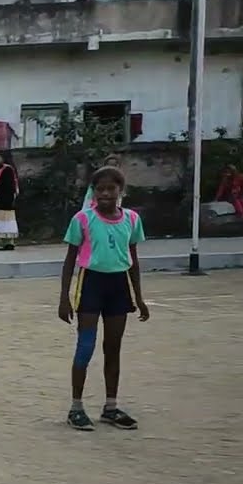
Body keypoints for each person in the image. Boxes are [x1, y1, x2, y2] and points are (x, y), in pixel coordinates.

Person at [58, 167, 150, 431]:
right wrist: (64, 298)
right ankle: (76, 407)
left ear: (121, 191)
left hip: (118, 285)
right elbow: (69, 261)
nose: (106, 194)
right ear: (93, 192)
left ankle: (111, 407)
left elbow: (133, 260)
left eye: (111, 189)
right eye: (100, 189)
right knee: (86, 346)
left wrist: (139, 297)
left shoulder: (132, 219)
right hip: (91, 284)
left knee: (113, 347)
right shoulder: (83, 220)